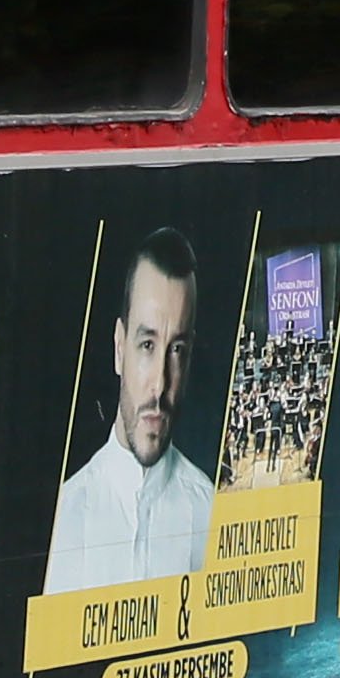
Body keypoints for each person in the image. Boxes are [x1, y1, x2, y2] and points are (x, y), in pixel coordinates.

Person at [44, 231, 215, 596]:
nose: (159, 384)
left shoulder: (213, 515)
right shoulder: (61, 518)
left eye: (177, 349)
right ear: (120, 348)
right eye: (147, 345)